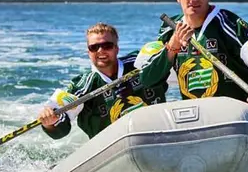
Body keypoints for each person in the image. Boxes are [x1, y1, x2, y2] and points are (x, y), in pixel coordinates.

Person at [39, 22, 168, 140]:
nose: (101, 51)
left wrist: (173, 48)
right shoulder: (82, 86)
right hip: (112, 151)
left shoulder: (142, 63)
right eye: (94, 47)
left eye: (107, 45)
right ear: (88, 52)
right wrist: (50, 122)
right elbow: (61, 126)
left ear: (116, 48)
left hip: (158, 137)